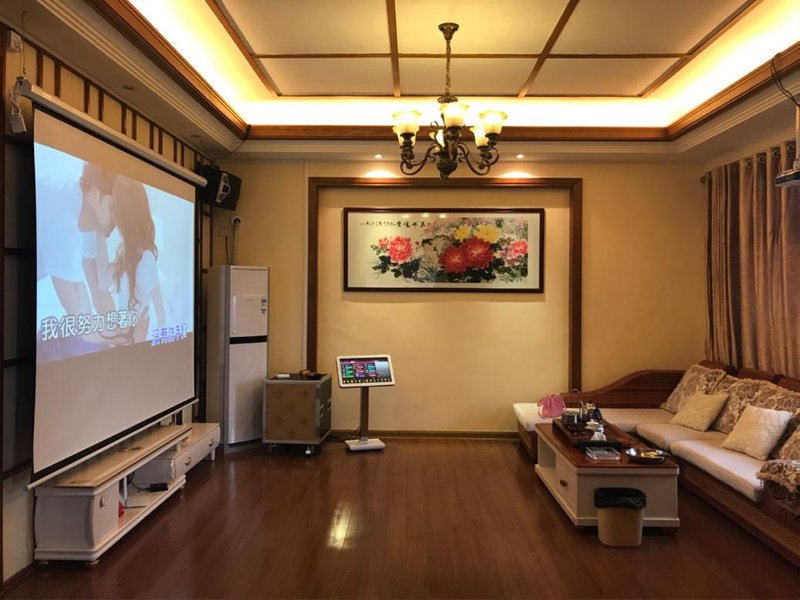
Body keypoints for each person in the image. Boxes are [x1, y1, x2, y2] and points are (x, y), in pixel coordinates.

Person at [91, 175, 165, 344]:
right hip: (127, 343)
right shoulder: (125, 253)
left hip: (134, 344)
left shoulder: (145, 258)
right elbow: (103, 281)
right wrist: (101, 229)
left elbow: (160, 315)